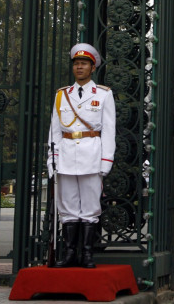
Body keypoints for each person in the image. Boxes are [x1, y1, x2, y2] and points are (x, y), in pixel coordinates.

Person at [47, 43, 116, 268]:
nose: (79, 67)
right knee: (67, 207)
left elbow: (109, 129)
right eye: (76, 64)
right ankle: (69, 255)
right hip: (65, 156)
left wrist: (106, 161)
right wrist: (52, 159)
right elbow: (55, 131)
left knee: (89, 207)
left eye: (84, 64)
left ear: (92, 68)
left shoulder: (104, 95)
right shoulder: (61, 95)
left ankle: (87, 255)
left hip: (91, 154)